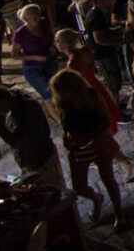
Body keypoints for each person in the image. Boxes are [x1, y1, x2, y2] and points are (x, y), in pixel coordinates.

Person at [49, 69, 125, 228]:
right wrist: (66, 139)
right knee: (79, 186)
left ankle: (119, 213)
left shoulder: (91, 96)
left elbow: (106, 120)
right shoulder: (63, 101)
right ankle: (96, 198)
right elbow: (64, 122)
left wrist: (95, 139)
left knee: (108, 178)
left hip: (98, 143)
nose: (62, 93)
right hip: (77, 146)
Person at [0, 85, 65, 187]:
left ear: (2, 102)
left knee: (53, 191)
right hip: (33, 160)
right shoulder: (15, 100)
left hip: (41, 162)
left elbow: (17, 142)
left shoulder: (25, 111)